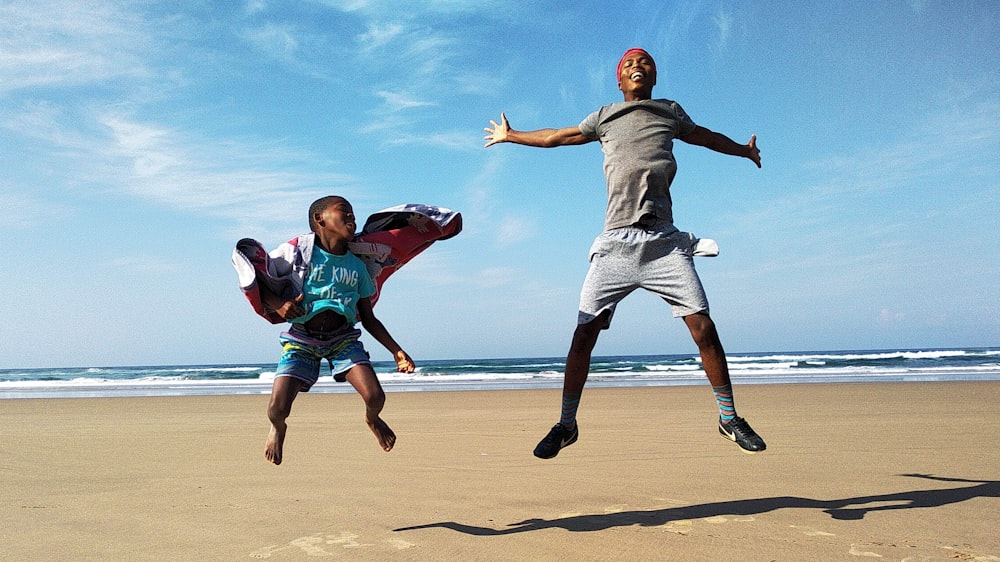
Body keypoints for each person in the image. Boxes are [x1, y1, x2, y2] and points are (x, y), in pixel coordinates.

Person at [484, 48, 766, 459]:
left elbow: (706, 137)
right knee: (584, 335)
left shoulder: (670, 112)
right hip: (615, 242)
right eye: (629, 64)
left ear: (655, 76)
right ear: (619, 81)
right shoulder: (605, 116)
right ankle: (566, 425)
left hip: (664, 243)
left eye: (645, 62)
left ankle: (729, 418)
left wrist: (743, 149)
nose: (637, 66)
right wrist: (512, 135)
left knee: (703, 328)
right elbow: (557, 137)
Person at [258, 195, 415, 465]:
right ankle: (278, 427)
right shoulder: (298, 254)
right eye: (344, 211)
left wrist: (396, 350)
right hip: (301, 338)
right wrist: (279, 305)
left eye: (353, 213)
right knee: (277, 409)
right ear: (320, 219)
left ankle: (372, 419)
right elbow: (260, 282)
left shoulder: (357, 266)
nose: (352, 217)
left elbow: (369, 317)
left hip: (343, 339)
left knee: (376, 396)